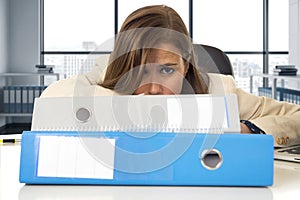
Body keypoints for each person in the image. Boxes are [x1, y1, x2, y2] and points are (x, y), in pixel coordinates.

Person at [41, 5, 300, 147]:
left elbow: (296, 116)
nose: (153, 89)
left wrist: (248, 130)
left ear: (185, 67)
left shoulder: (219, 89)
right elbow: (50, 101)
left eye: (167, 70)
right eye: (140, 71)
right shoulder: (101, 78)